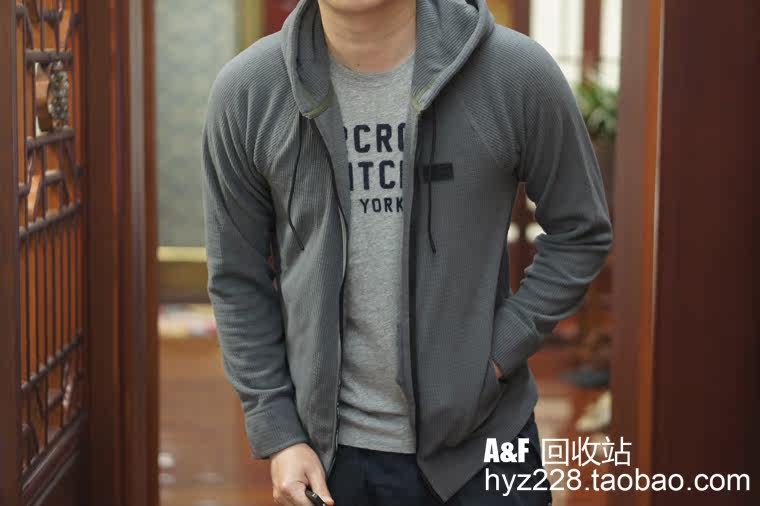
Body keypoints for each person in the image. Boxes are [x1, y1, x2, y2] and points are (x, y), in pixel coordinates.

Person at [201, 0, 612, 504]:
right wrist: (279, 430)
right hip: (327, 456)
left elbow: (580, 231)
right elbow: (237, 277)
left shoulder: (513, 73)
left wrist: (496, 354)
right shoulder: (249, 92)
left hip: (485, 444)